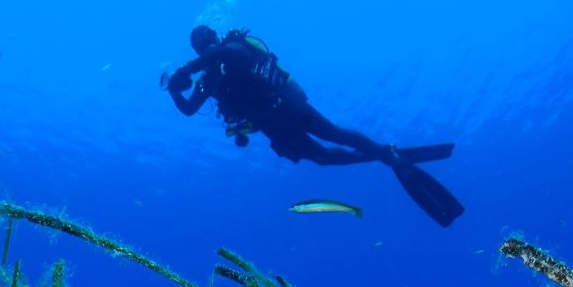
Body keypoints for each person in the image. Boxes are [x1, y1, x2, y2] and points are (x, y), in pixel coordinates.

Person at [165, 25, 465, 226]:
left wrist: (186, 69)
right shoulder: (210, 79)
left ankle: (386, 154)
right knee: (324, 158)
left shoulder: (234, 48)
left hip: (286, 107)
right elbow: (190, 110)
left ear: (213, 39)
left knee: (334, 134)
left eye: (205, 40)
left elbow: (225, 54)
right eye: (198, 44)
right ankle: (384, 155)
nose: (204, 45)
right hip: (271, 127)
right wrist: (175, 89)